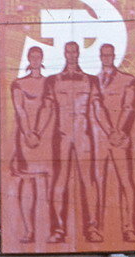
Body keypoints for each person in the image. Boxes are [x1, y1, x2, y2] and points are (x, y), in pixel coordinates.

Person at [36, 41, 110, 244]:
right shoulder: (53, 81)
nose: (71, 54)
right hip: (61, 137)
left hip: (84, 136)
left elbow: (98, 108)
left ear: (78, 53)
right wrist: (36, 132)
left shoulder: (90, 80)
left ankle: (92, 228)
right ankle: (58, 229)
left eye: (74, 51)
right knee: (59, 182)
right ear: (64, 53)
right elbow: (46, 109)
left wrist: (111, 131)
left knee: (89, 182)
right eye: (68, 51)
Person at [94, 43, 135, 242]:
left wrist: (118, 131)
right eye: (103, 55)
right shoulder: (93, 81)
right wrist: (108, 131)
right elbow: (95, 106)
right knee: (97, 183)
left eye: (109, 55)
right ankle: (96, 228)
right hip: (100, 139)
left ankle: (129, 229)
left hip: (120, 139)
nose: (106, 58)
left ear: (114, 56)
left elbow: (129, 106)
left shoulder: (127, 80)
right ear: (99, 56)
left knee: (126, 183)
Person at [9, 45, 49, 243]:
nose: (35, 59)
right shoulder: (19, 83)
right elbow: (20, 109)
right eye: (32, 56)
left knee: (47, 184)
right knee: (27, 183)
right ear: (28, 58)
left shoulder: (49, 83)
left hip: (45, 137)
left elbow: (49, 108)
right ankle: (28, 230)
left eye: (38, 56)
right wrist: (28, 133)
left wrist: (38, 133)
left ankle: (47, 229)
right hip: (25, 138)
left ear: (41, 59)